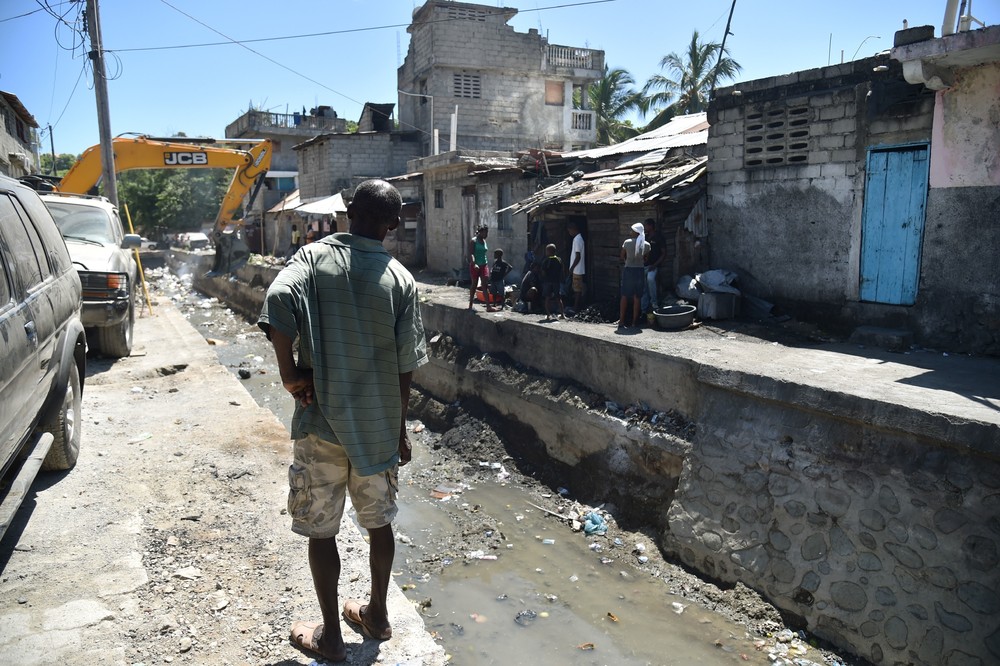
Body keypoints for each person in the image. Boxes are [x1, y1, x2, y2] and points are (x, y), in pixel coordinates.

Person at [258, 179, 428, 663]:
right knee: (380, 524)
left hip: (322, 424)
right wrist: (398, 430)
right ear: (394, 224)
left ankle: (331, 637)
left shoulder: (312, 259)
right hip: (376, 429)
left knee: (322, 531)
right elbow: (404, 366)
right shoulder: (401, 279)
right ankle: (377, 614)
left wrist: (290, 374)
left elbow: (277, 303)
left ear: (348, 210)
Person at [618, 222, 650, 330]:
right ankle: (634, 323)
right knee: (637, 297)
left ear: (635, 232)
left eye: (632, 230)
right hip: (639, 271)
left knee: (624, 296)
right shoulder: (646, 245)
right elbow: (646, 259)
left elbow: (622, 256)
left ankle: (621, 321)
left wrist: (628, 261)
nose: (630, 232)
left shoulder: (627, 242)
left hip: (629, 271)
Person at [641, 218, 666, 316]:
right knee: (644, 287)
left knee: (650, 279)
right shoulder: (645, 237)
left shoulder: (659, 237)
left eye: (646, 225)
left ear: (651, 226)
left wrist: (655, 265)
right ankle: (643, 309)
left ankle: (654, 303)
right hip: (645, 266)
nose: (645, 228)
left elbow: (663, 253)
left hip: (654, 266)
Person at [540, 243, 565, 321]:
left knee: (547, 298)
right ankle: (562, 314)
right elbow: (562, 270)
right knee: (558, 298)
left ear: (548, 251)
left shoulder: (546, 260)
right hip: (556, 282)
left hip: (548, 282)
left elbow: (543, 272)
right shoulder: (559, 259)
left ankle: (548, 315)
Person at [468, 225, 490, 310]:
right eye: (485, 232)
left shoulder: (484, 241)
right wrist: (474, 263)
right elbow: (471, 254)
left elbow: (483, 253)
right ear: (480, 232)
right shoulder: (474, 241)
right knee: (474, 284)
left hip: (484, 264)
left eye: (487, 232)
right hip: (475, 265)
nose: (486, 234)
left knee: (485, 284)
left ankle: (488, 306)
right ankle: (470, 305)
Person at [567, 220, 586, 315]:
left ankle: (575, 308)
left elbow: (577, 256)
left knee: (577, 289)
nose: (569, 233)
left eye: (569, 231)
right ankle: (577, 306)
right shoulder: (578, 238)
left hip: (577, 269)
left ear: (573, 229)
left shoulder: (577, 240)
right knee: (576, 288)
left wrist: (572, 267)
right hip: (577, 269)